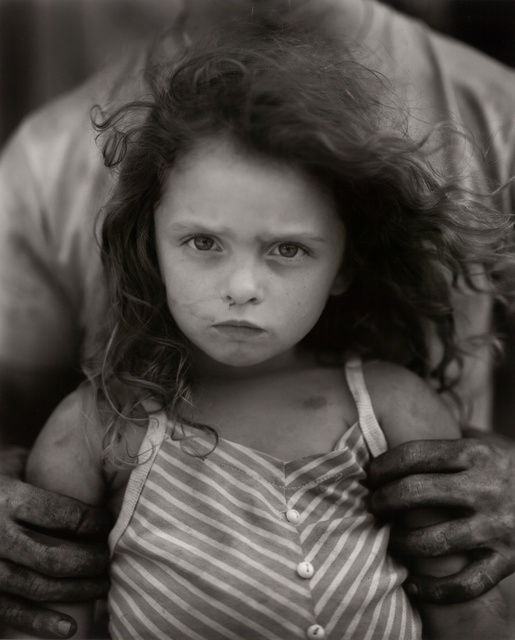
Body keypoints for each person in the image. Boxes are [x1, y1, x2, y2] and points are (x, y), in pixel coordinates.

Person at [1, 0, 515, 638]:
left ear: (346, 261)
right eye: (203, 243)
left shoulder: (396, 412)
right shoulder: (94, 432)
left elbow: (472, 618)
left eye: (289, 250)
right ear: (148, 242)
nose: (242, 288)